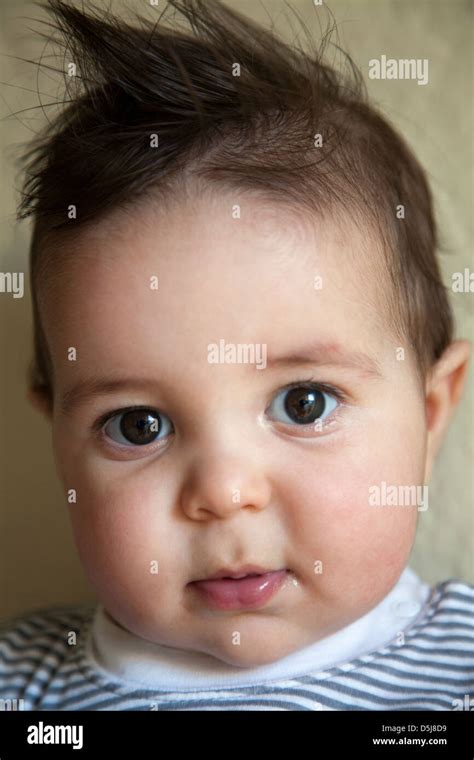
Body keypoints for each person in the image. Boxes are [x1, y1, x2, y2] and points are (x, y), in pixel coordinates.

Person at [1, 0, 472, 710]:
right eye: (137, 425)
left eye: (303, 402)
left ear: (431, 414)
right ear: (60, 440)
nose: (222, 493)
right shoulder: (20, 682)